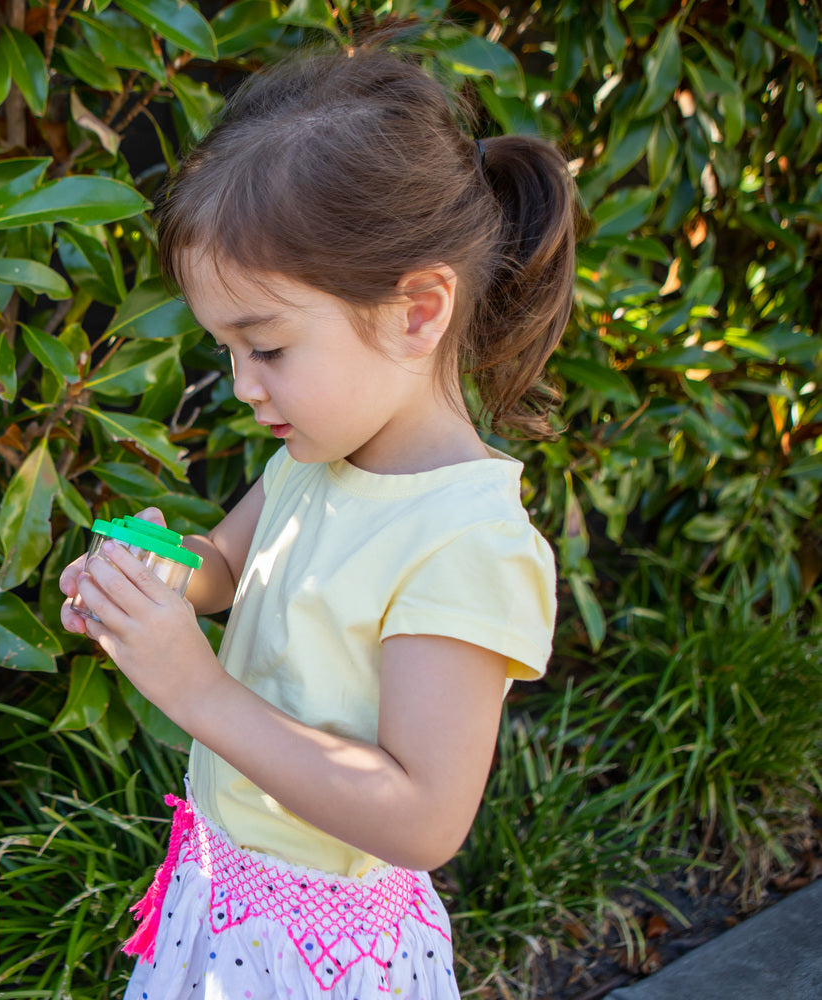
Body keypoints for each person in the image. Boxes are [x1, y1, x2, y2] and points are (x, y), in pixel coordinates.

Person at [57, 43, 577, 1000]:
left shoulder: (467, 544)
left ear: (418, 311)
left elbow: (423, 817)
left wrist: (199, 692)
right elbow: (226, 565)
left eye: (267, 346)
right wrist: (154, 572)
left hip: (322, 954)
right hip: (228, 896)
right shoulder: (315, 457)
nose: (242, 386)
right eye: (226, 349)